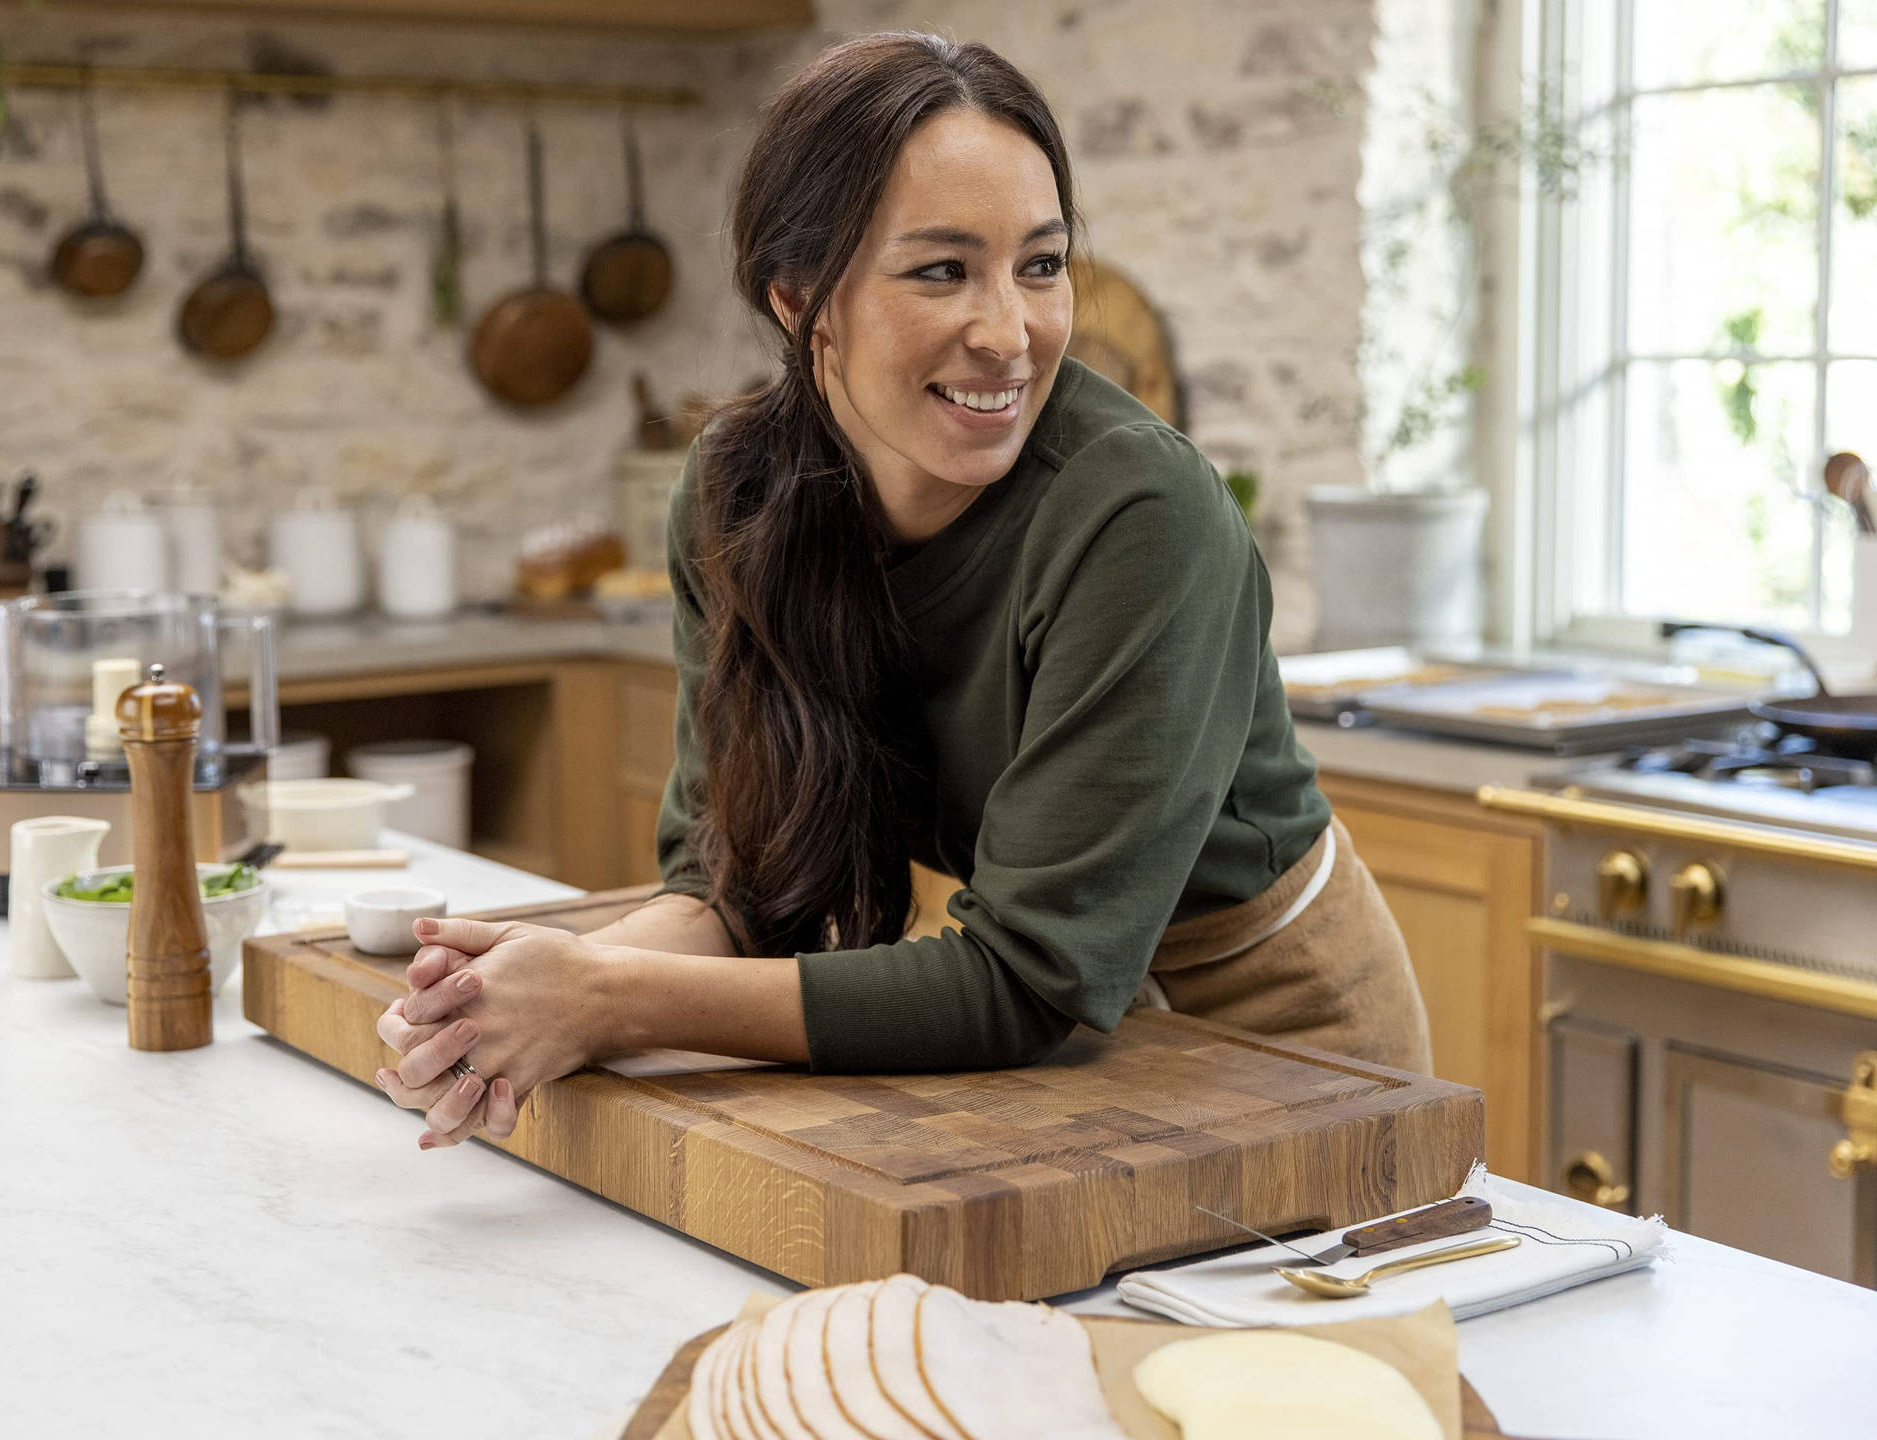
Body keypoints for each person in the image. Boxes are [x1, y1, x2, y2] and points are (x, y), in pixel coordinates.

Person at [375, 31, 1430, 1151]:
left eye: (1040, 264)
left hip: (1275, 1033)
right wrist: (523, 993)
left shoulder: (1140, 518)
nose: (1009, 334)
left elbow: (1028, 982)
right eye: (941, 271)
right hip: (1047, 1050)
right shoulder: (737, 497)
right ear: (799, 300)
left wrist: (606, 996)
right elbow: (731, 888)